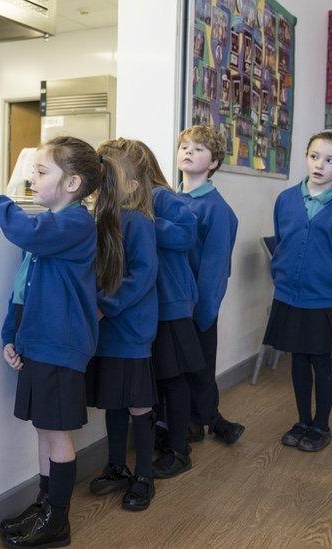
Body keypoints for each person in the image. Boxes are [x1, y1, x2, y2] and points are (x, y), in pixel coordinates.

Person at [0, 136, 111, 548]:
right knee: (44, 430)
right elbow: (22, 289)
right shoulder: (50, 224)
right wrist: (11, 336)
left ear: (72, 183)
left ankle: (58, 520)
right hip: (39, 343)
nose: (32, 179)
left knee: (57, 435)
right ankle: (45, 506)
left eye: (41, 172)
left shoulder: (73, 223)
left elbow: (25, 232)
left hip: (60, 347)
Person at [104, 139, 203, 479]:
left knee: (173, 379)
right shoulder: (118, 207)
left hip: (171, 304)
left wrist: (146, 221)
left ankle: (180, 448)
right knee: (151, 382)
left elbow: (186, 235)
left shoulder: (162, 198)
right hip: (145, 307)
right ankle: (161, 440)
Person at [263, 129, 332, 452]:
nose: (320, 165)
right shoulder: (286, 199)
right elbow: (282, 240)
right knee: (298, 360)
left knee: (320, 360)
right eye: (314, 156)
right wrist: (281, 275)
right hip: (289, 296)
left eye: (330, 160)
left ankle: (321, 425)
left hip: (322, 298)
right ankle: (303, 420)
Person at [86, 139, 159, 512]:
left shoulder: (139, 223)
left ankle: (143, 474)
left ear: (130, 185)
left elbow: (142, 275)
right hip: (107, 332)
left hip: (129, 331)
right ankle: (116, 465)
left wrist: (105, 305)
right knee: (114, 402)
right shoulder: (101, 218)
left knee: (137, 404)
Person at [175, 125, 245, 445]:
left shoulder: (217, 209)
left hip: (198, 307)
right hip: (172, 304)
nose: (189, 152)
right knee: (177, 367)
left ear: (214, 162)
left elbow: (215, 269)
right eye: (185, 146)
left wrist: (202, 315)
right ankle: (203, 419)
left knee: (199, 367)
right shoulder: (170, 199)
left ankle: (203, 420)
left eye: (199, 149)